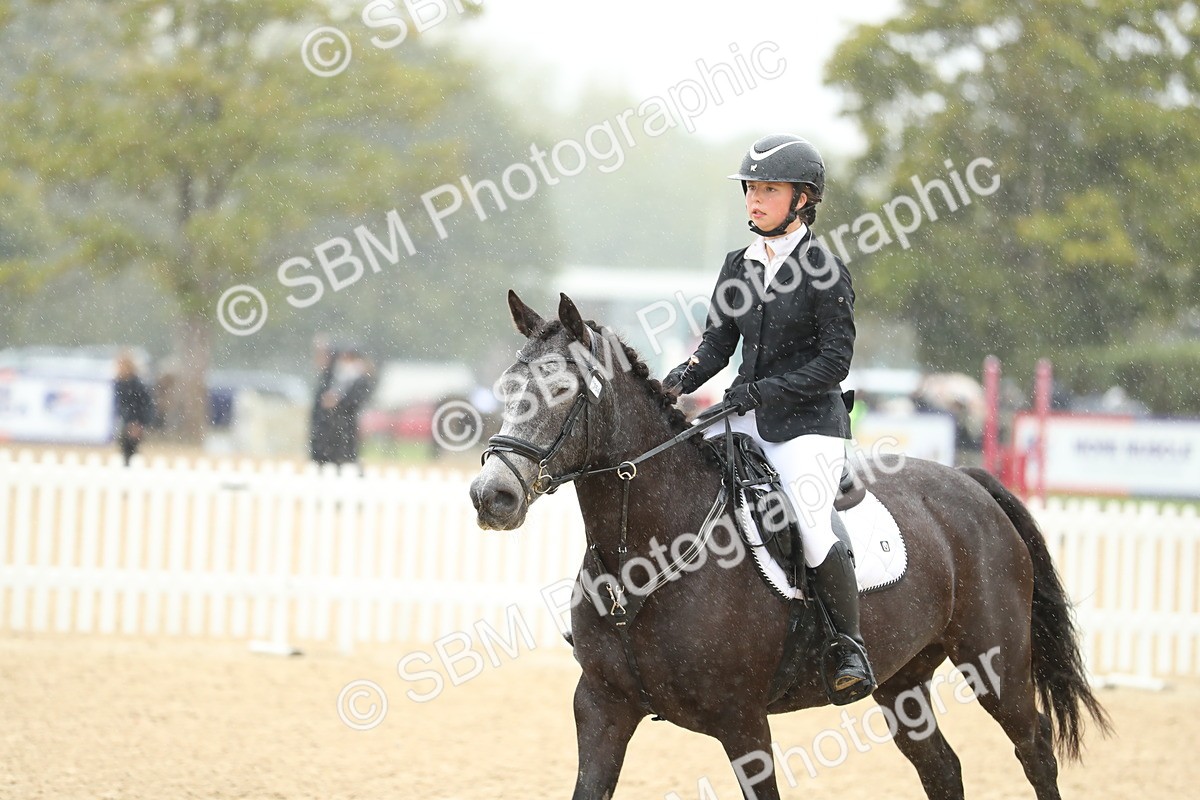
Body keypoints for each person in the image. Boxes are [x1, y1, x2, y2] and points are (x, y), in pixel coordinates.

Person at [662, 134, 874, 704]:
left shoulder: (825, 270)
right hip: (743, 414)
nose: (754, 200)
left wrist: (761, 392)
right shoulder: (739, 266)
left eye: (768, 190)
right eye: (751, 189)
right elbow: (715, 347)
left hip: (808, 425)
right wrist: (669, 387)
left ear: (802, 200)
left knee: (808, 521)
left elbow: (834, 362)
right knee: (671, 481)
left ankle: (848, 647)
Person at [318, 349, 375, 467]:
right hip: (333, 421)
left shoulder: (361, 379)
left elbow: (357, 399)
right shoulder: (334, 375)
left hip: (349, 420)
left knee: (347, 450)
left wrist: (338, 401)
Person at [113, 351, 155, 466]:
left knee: (130, 447)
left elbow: (144, 405)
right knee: (125, 447)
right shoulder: (120, 383)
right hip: (125, 420)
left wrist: (137, 422)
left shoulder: (136, 384)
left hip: (134, 421)